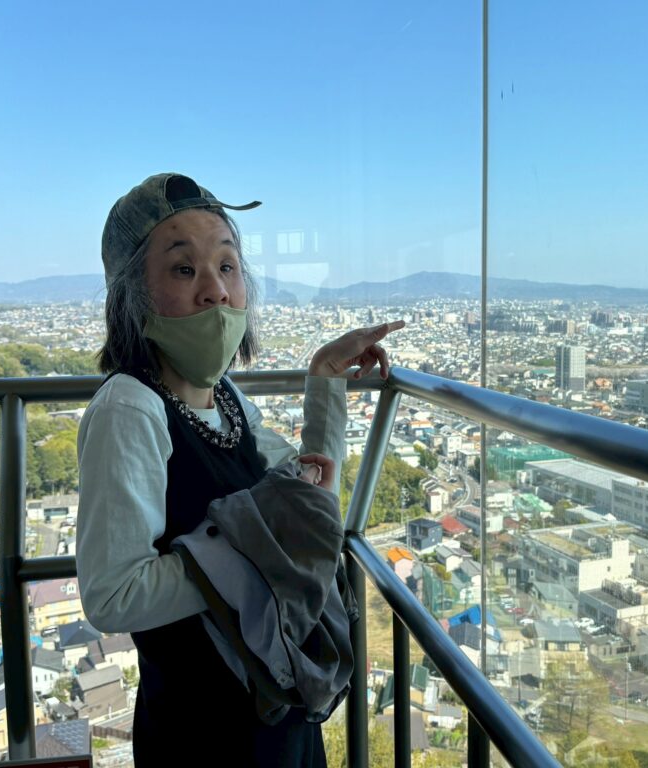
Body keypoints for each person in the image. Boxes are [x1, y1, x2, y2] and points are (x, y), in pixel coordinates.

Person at [75, 172, 404, 766]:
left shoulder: (225, 398)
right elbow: (114, 596)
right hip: (204, 734)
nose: (216, 292)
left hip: (276, 710)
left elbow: (304, 508)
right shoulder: (129, 408)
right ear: (132, 295)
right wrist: (251, 557)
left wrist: (325, 377)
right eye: (184, 269)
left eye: (227, 266)